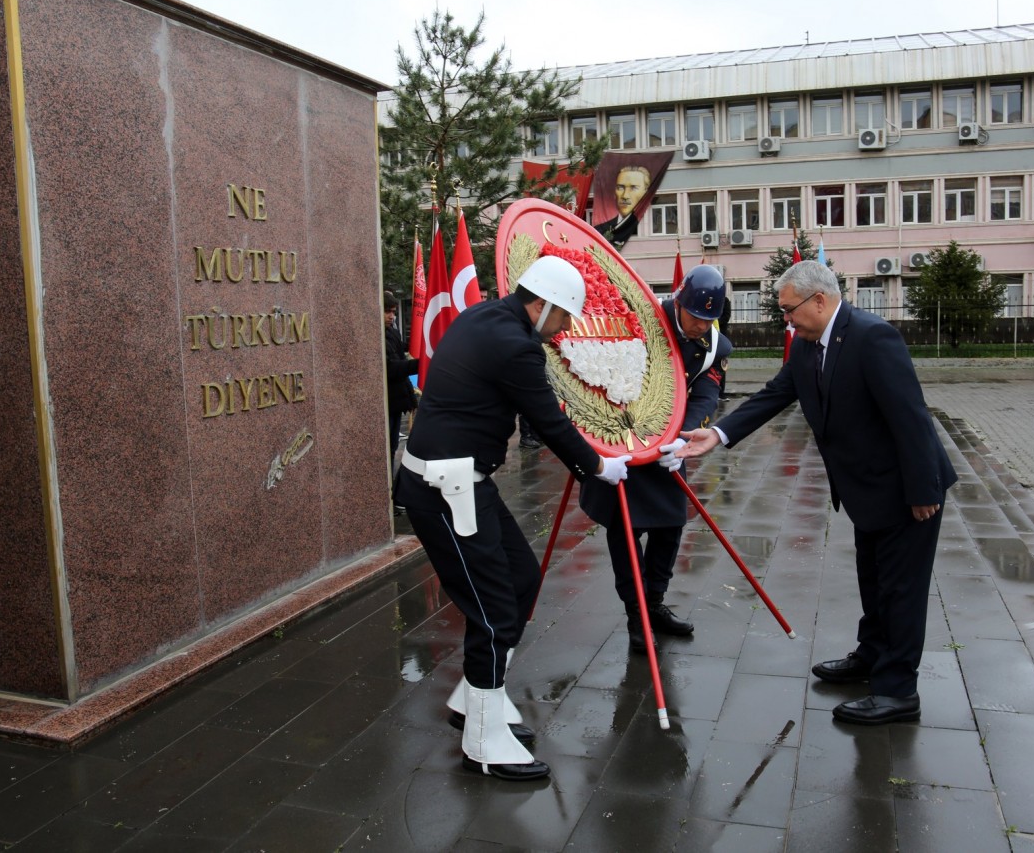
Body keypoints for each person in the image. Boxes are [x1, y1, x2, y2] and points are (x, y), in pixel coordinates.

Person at [678, 260, 956, 726]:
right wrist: (718, 435)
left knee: (902, 591)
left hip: (906, 489)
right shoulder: (808, 347)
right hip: (864, 490)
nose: (785, 319)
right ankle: (871, 657)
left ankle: (898, 691)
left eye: (789, 310)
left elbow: (911, 418)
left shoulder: (873, 337)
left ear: (819, 300)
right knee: (874, 581)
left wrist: (924, 489)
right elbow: (774, 394)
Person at [393, 256, 631, 781]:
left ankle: (474, 698)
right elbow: (547, 420)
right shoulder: (514, 343)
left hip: (463, 480)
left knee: (522, 577)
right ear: (541, 304)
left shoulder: (489, 318)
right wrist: (598, 465)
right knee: (493, 609)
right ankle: (483, 743)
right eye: (564, 317)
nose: (565, 329)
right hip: (445, 487)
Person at [578, 265, 733, 654]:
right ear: (679, 303)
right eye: (695, 316)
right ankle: (636, 615)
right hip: (623, 444)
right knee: (626, 532)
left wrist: (679, 435)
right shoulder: (640, 318)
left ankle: (656, 604)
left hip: (667, 449)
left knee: (670, 526)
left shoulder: (714, 346)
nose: (701, 325)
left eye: (709, 319)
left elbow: (706, 394)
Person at [384, 292, 418, 459]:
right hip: (387, 403)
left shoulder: (392, 332)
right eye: (387, 312)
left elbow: (402, 350)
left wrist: (420, 342)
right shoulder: (376, 335)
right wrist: (420, 364)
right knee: (386, 449)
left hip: (397, 402)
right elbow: (392, 368)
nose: (392, 316)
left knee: (393, 446)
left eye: (394, 312)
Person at [594, 165, 651, 246]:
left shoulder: (649, 226)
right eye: (620, 187)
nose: (625, 196)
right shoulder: (599, 230)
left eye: (633, 188)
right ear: (614, 193)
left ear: (645, 192)